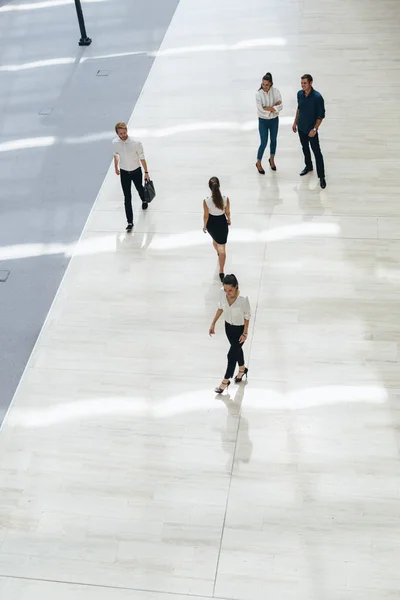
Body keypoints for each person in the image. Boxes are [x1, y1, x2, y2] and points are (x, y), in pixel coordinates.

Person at [209, 274, 251, 394]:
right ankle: (242, 369)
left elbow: (247, 316)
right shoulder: (223, 293)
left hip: (240, 330)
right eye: (226, 290)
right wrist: (213, 324)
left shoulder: (243, 298)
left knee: (231, 355)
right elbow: (221, 308)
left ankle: (225, 380)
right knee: (236, 350)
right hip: (228, 328)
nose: (228, 293)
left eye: (231, 290)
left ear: (236, 287)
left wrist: (245, 333)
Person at [113, 122, 151, 231]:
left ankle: (144, 200)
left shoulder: (135, 143)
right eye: (121, 133)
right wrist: (116, 167)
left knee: (139, 188)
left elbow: (142, 158)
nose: (123, 135)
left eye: (124, 132)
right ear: (117, 133)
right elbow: (115, 155)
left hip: (136, 171)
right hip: (124, 172)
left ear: (127, 131)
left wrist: (146, 172)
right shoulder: (115, 143)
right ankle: (130, 222)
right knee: (127, 197)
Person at [292, 74, 326, 189]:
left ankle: (321, 176)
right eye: (301, 83)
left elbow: (320, 116)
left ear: (311, 83)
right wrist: (295, 122)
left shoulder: (317, 97)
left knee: (317, 152)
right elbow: (299, 108)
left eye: (305, 83)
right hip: (301, 127)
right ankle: (308, 166)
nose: (302, 85)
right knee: (305, 148)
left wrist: (315, 129)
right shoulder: (299, 94)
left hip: (311, 130)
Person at [203, 177, 231, 282]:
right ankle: (221, 270)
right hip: (222, 223)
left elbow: (206, 215)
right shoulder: (225, 199)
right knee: (222, 247)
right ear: (219, 186)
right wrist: (229, 219)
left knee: (215, 241)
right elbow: (228, 211)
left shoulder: (206, 201)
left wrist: (204, 225)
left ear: (210, 188)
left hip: (211, 224)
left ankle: (219, 254)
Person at [255, 72, 283, 174]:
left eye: (266, 85)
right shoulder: (258, 94)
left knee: (273, 140)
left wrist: (269, 108)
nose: (264, 87)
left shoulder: (276, 92)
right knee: (263, 142)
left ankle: (271, 159)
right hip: (263, 121)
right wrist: (274, 107)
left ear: (270, 84)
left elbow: (281, 106)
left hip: (274, 120)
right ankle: (258, 162)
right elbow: (261, 110)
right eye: (263, 84)